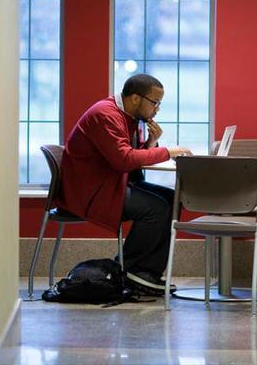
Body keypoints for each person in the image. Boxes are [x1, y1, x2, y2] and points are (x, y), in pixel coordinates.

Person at [57, 74, 192, 295]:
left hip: (110, 183)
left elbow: (129, 158)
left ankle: (147, 273)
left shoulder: (129, 116)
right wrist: (168, 151)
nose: (157, 109)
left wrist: (151, 143)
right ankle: (131, 270)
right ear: (136, 99)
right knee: (156, 208)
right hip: (91, 191)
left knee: (171, 199)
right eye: (155, 102)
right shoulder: (106, 114)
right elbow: (123, 159)